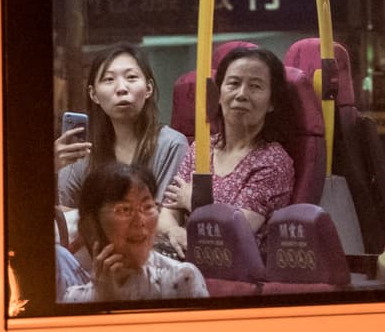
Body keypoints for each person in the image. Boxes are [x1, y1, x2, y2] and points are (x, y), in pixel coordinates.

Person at [158, 46, 295, 257]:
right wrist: (173, 231)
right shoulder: (201, 148)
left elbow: (237, 229)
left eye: (255, 86)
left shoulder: (274, 160)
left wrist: (193, 201)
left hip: (238, 270)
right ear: (218, 95)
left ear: (272, 102)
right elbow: (167, 211)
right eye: (233, 83)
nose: (241, 94)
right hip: (185, 254)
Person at [55, 43, 187, 208]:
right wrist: (54, 166)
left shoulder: (171, 145)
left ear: (148, 88)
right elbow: (66, 213)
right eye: (109, 79)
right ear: (93, 94)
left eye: (131, 77)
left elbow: (165, 216)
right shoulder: (82, 150)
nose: (122, 88)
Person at [60, 162, 208, 302]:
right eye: (124, 209)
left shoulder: (183, 279)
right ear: (92, 225)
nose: (139, 221)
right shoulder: (75, 298)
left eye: (148, 206)